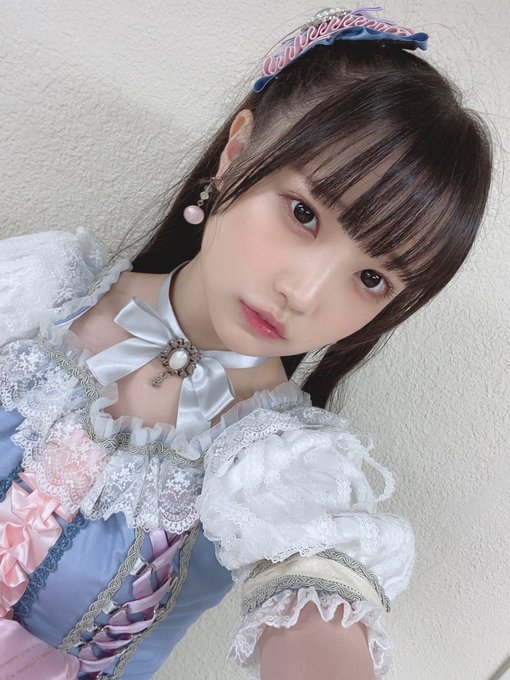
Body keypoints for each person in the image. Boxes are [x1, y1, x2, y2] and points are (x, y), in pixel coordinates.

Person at [0, 7, 492, 680]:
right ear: (237, 153)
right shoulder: (35, 292)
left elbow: (318, 608)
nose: (304, 293)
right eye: (304, 214)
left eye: (372, 278)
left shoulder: (283, 470)